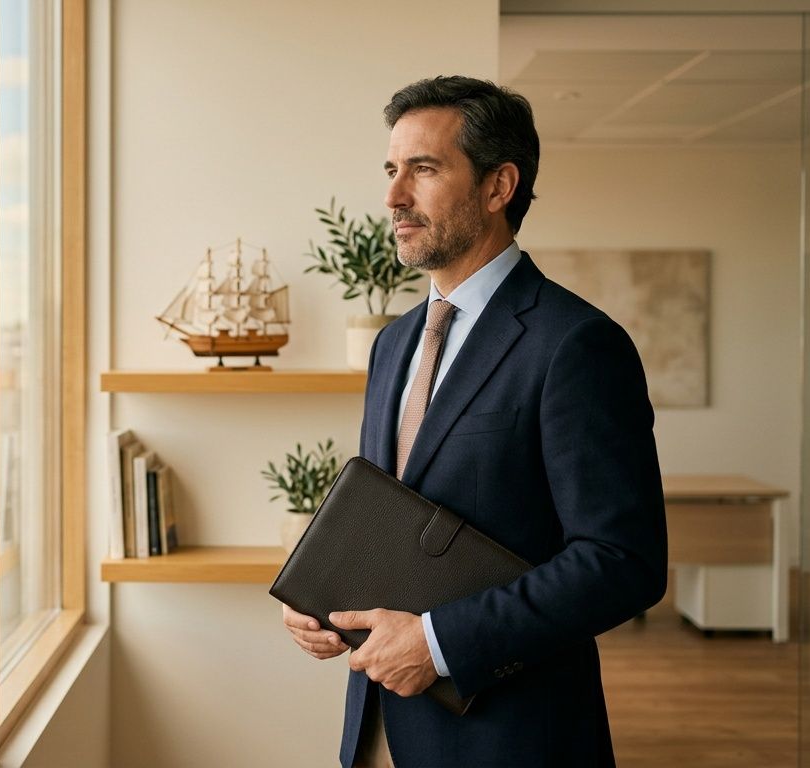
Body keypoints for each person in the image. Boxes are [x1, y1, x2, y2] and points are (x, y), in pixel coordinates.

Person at [281, 76, 668, 767]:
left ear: (499, 187)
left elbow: (622, 563)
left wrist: (437, 642)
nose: (394, 197)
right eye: (392, 170)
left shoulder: (576, 344)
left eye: (424, 170)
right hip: (375, 729)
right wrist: (320, 597)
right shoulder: (393, 342)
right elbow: (392, 513)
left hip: (508, 737)